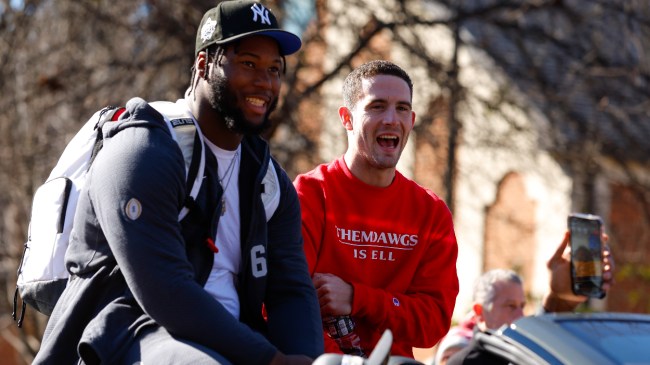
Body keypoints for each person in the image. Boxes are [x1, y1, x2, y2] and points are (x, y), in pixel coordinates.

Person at [33, 1, 323, 364]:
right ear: (203, 65)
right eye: (248, 63)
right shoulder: (144, 149)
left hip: (237, 342)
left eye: (274, 69)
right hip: (129, 334)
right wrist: (270, 360)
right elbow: (164, 288)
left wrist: (308, 360)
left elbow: (291, 291)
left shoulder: (267, 180)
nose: (265, 81)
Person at [293, 60, 460, 358]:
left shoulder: (431, 213)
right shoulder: (310, 194)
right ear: (347, 118)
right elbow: (285, 306)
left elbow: (433, 323)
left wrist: (359, 298)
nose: (391, 119)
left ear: (412, 120)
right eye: (377, 106)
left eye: (402, 108)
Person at [446, 232, 614, 365]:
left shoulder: (529, 354)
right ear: (480, 312)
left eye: (522, 305)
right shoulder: (463, 362)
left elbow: (548, 331)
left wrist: (565, 295)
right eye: (510, 306)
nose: (520, 315)